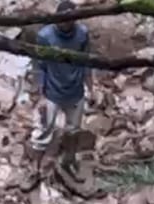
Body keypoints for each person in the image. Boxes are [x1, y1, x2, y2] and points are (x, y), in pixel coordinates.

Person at [24, 0, 92, 190]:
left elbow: (86, 62)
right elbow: (39, 66)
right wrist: (41, 95)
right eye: (62, 20)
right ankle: (33, 171)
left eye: (70, 20)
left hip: (75, 91)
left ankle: (67, 163)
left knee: (73, 131)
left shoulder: (82, 34)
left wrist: (91, 88)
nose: (65, 24)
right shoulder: (45, 36)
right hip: (52, 92)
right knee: (42, 133)